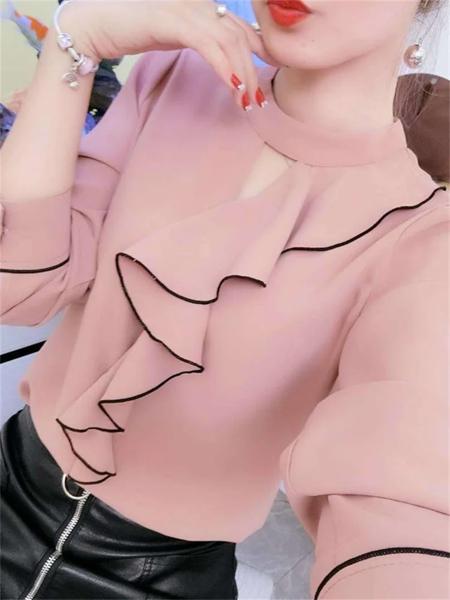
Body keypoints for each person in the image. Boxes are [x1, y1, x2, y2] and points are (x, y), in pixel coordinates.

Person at [0, 0, 448, 598]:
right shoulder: (173, 75)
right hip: (10, 477)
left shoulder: (422, 235)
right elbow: (19, 288)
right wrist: (73, 40)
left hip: (161, 580)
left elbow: (406, 508)